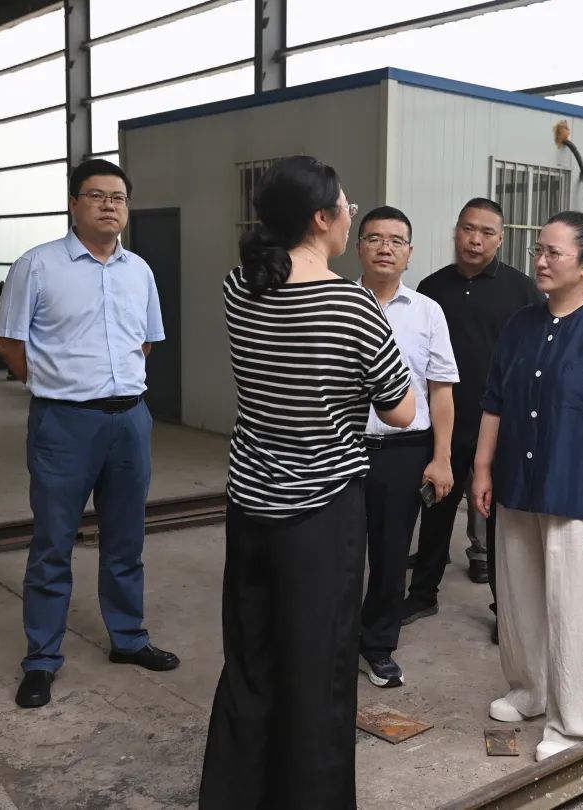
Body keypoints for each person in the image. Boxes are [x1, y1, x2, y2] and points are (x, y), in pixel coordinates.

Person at [198, 157, 415, 809]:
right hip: (322, 514)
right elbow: (401, 410)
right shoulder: (352, 304)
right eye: (347, 206)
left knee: (251, 658)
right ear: (321, 218)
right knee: (318, 670)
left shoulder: (240, 286)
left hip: (250, 502)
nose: (352, 214)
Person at [0, 159, 178, 711]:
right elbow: (8, 342)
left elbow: (146, 342)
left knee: (126, 538)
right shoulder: (37, 266)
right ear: (74, 204)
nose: (109, 206)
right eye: (96, 196)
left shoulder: (139, 271)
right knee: (53, 541)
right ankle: (42, 658)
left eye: (118, 197)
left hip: (129, 420)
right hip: (64, 423)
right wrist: (53, 384)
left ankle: (129, 638)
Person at [471, 211, 583, 761]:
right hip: (519, 485)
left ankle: (573, 723)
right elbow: (495, 401)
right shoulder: (521, 324)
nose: (541, 261)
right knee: (519, 601)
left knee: (576, 610)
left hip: (578, 492)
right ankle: (529, 691)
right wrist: (482, 468)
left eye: (554, 253)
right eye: (538, 251)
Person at [402, 198, 540, 641]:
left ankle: (506, 610)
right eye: (467, 229)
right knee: (435, 512)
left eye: (486, 232)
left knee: (500, 523)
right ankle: (423, 593)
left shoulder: (522, 291)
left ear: (501, 239)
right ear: (456, 231)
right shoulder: (432, 287)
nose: (474, 240)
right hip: (443, 425)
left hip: (498, 427)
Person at [355, 205, 459, 689]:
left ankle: (377, 646)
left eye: (396, 240)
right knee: (336, 552)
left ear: (410, 252)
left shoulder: (427, 311)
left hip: (403, 452)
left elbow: (441, 390)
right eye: (375, 238)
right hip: (343, 448)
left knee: (391, 556)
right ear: (359, 246)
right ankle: (331, 642)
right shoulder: (337, 303)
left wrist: (441, 458)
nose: (385, 248)